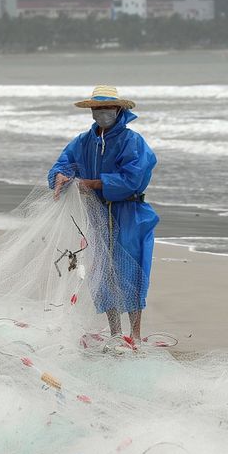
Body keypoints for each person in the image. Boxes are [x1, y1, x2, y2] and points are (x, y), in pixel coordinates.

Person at [49, 85, 158, 344]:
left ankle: (135, 334)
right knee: (104, 272)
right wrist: (60, 176)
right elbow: (63, 164)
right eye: (97, 108)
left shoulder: (132, 142)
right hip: (97, 214)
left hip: (130, 214)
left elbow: (133, 179)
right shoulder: (83, 142)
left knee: (131, 271)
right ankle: (115, 333)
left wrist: (93, 184)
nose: (102, 112)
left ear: (118, 109)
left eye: (107, 107)